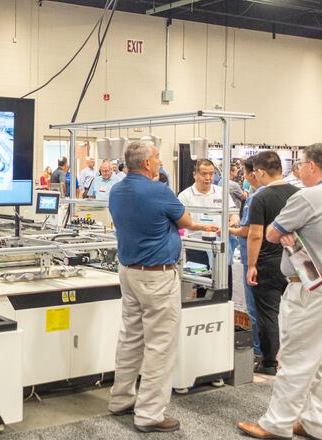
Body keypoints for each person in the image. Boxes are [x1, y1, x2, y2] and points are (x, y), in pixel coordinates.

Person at [238, 143, 322, 440]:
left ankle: (275, 424)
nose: (297, 169)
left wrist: (285, 233)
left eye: (301, 164)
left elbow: (272, 233)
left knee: (294, 357)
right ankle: (318, 424)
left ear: (313, 166)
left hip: (313, 290)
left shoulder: (309, 196)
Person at [107, 141, 213, 433]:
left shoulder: (116, 189)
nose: (160, 161)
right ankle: (149, 414)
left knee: (130, 337)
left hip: (129, 273)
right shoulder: (158, 191)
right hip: (157, 276)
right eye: (157, 158)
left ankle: (121, 399)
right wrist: (207, 227)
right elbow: (187, 221)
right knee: (160, 346)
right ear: (147, 164)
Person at [245, 150, 299, 376]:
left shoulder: (260, 197)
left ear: (259, 172)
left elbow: (255, 234)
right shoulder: (298, 194)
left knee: (268, 314)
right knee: (295, 313)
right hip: (295, 261)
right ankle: (294, 359)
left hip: (267, 262)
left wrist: (251, 265)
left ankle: (268, 362)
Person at [228, 157, 263, 362]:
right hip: (269, 258)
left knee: (253, 307)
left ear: (253, 173)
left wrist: (229, 229)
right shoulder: (285, 194)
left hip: (255, 258)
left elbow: (249, 232)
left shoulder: (255, 198)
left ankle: (258, 351)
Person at [177, 159, 238, 270]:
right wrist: (204, 227)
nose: (208, 178)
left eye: (211, 174)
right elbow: (183, 222)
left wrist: (233, 222)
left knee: (223, 282)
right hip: (196, 246)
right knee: (200, 283)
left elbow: (233, 214)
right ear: (195, 175)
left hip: (219, 245)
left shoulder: (221, 192)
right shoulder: (184, 196)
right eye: (204, 174)